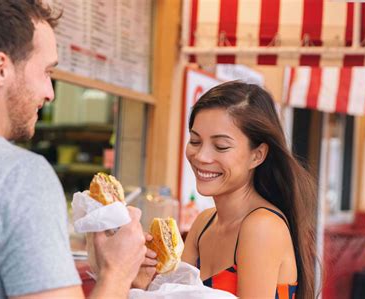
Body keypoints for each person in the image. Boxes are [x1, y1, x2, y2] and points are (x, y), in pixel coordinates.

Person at [0, 1, 148, 298]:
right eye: (47, 72)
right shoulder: (19, 176)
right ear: (1, 69)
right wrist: (118, 271)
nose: (49, 93)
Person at [133, 81, 317, 298]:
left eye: (221, 146)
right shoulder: (203, 223)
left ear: (257, 155)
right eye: (195, 141)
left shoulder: (262, 227)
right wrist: (141, 283)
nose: (201, 156)